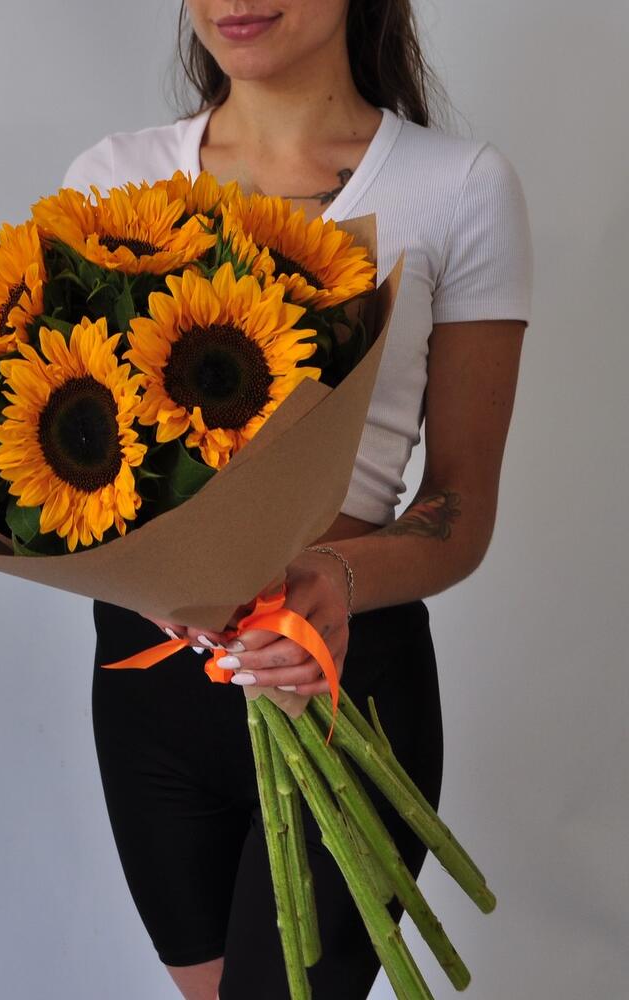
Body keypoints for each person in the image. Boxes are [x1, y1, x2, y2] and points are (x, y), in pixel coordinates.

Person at [61, 2, 532, 998]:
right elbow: (64, 459)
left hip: (345, 684)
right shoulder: (113, 180)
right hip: (150, 696)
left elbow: (459, 507)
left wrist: (331, 576)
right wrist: (130, 561)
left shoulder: (457, 189)